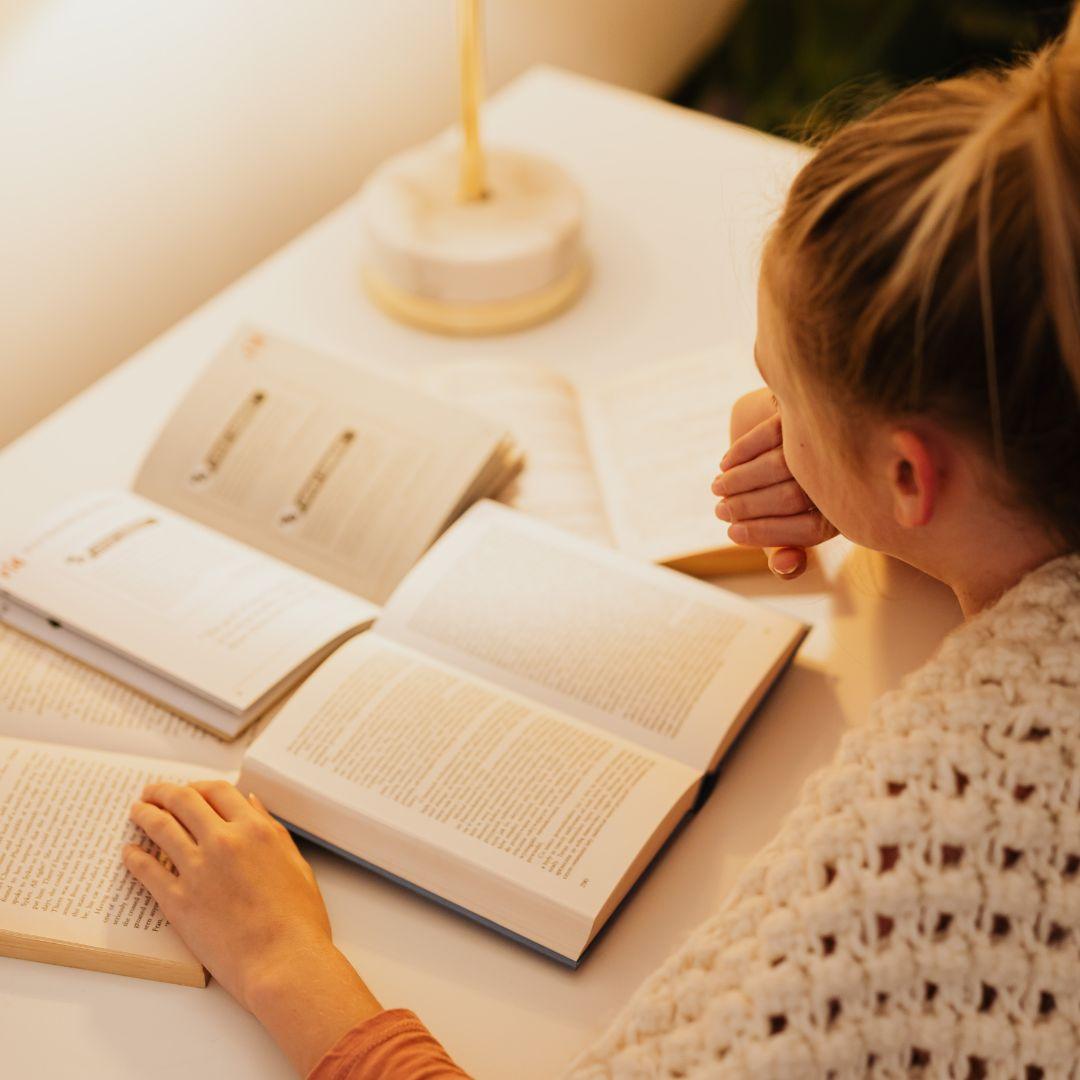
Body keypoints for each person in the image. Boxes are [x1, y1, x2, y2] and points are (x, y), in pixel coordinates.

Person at [122, 12, 1080, 1079]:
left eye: (785, 387)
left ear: (913, 472)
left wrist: (277, 960)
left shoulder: (958, 833)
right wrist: (854, 477)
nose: (766, 410)